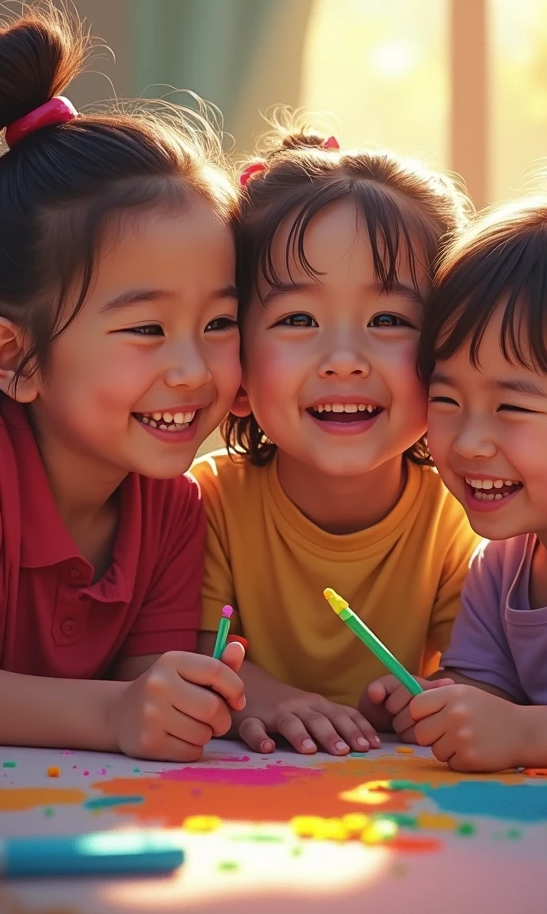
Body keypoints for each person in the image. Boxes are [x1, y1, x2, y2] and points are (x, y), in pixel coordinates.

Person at [0, 0, 246, 760]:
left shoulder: (173, 506)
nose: (193, 370)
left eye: (220, 323)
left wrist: (192, 696)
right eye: (146, 329)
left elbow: (144, 683)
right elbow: (120, 708)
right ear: (14, 359)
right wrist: (114, 716)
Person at [192, 126, 479, 757]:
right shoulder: (203, 505)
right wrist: (257, 695)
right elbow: (182, 648)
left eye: (389, 320)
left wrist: (435, 694)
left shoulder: (461, 522)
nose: (344, 360)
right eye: (298, 319)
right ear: (236, 359)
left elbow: (481, 678)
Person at [371, 169, 547, 773]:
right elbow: (486, 697)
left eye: (512, 408)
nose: (470, 442)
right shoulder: (500, 566)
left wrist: (522, 734)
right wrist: (442, 704)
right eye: (446, 400)